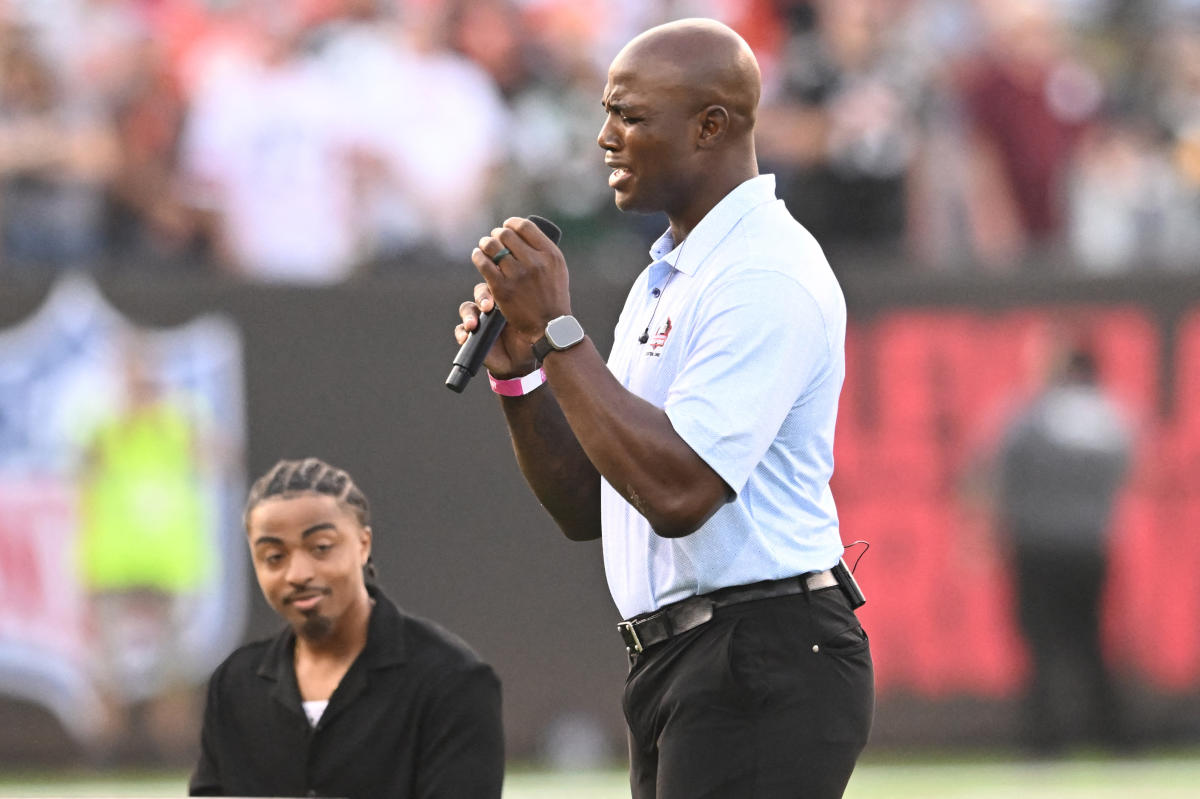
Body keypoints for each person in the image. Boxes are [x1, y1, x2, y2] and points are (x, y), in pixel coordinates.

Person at [455, 18, 873, 798]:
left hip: (762, 654)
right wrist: (523, 376)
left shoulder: (762, 274)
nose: (606, 138)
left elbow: (681, 493)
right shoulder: (674, 274)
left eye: (630, 115)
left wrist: (557, 329)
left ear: (711, 125)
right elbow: (595, 501)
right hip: (690, 661)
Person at [189, 457, 504, 798]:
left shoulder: (451, 680)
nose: (298, 574)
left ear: (363, 545)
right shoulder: (236, 684)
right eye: (274, 557)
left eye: (321, 548)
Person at [994, 347, 1134, 753]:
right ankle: (1111, 734)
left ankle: (1044, 738)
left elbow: (1000, 472)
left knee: (1041, 643)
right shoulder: (1111, 416)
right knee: (1091, 639)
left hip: (1037, 545)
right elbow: (1127, 469)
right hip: (1090, 545)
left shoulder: (1032, 415)